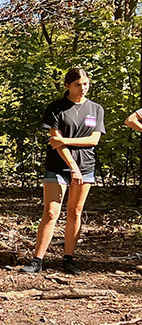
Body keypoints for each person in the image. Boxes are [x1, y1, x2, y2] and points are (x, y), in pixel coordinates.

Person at [22, 67, 104, 275]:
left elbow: (93, 140)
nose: (83, 88)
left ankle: (68, 258)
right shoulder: (56, 108)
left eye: (86, 84)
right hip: (58, 166)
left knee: (75, 212)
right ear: (67, 86)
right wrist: (72, 166)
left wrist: (66, 141)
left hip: (86, 167)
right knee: (51, 212)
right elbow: (55, 142)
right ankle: (37, 260)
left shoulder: (96, 109)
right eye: (78, 85)